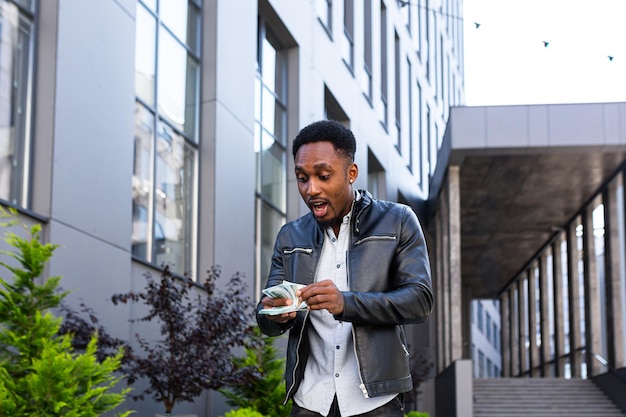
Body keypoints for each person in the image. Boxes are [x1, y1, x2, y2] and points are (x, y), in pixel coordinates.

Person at [256, 119, 433, 417]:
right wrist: (276, 313)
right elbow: (265, 318)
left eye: (324, 176)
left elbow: (419, 300)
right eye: (302, 178)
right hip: (310, 400)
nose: (311, 189)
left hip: (375, 401)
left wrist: (346, 303)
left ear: (351, 173)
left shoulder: (398, 221)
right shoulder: (290, 236)